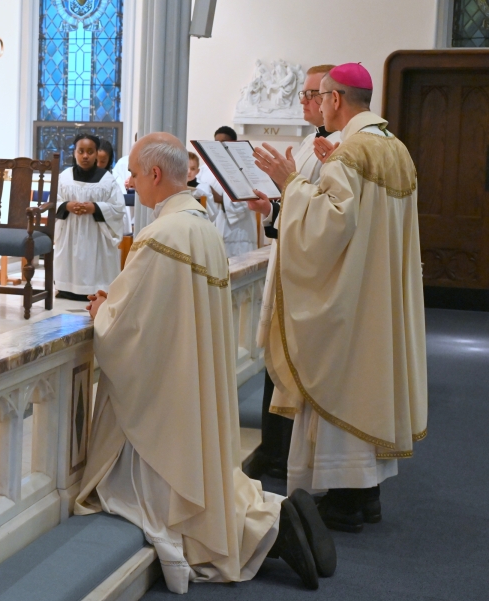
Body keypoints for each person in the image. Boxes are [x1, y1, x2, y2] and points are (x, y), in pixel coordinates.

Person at [76, 132, 335, 593]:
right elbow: (159, 304)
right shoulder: (200, 226)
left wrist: (103, 311)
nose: (131, 182)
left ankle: (270, 533)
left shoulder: (162, 235)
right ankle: (276, 513)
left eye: (135, 173)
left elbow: (129, 325)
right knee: (203, 478)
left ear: (155, 174)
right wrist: (117, 301)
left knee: (146, 496)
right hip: (190, 379)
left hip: (166, 397)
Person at [249, 63, 428, 533]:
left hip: (351, 296)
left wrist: (291, 181)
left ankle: (347, 502)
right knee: (370, 382)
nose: (319, 104)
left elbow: (329, 227)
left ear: (336, 99)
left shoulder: (352, 152)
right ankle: (365, 497)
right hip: (378, 291)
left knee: (343, 380)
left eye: (321, 96)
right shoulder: (395, 148)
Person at [244, 64, 343, 482]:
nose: (303, 101)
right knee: (274, 359)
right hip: (288, 263)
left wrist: (284, 198)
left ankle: (283, 454)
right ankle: (273, 448)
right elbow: (298, 206)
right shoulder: (308, 144)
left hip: (310, 277)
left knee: (294, 364)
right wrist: (270, 209)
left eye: (310, 94)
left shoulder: (341, 150)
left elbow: (327, 217)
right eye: (301, 94)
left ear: (332, 98)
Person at [54, 134, 125, 301]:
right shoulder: (64, 177)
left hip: (97, 233)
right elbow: (53, 201)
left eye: (90, 152)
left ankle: (98, 289)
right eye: (81, 151)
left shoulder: (107, 180)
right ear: (74, 153)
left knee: (96, 263)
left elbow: (118, 208)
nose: (85, 156)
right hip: (70, 230)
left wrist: (96, 207)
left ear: (96, 154)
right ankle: (66, 289)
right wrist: (67, 205)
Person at [199, 126, 258, 258]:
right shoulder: (205, 169)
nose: (219, 146)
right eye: (216, 142)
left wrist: (219, 198)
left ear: (233, 144)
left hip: (239, 234)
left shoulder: (244, 169)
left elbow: (244, 202)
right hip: (213, 232)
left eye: (223, 142)